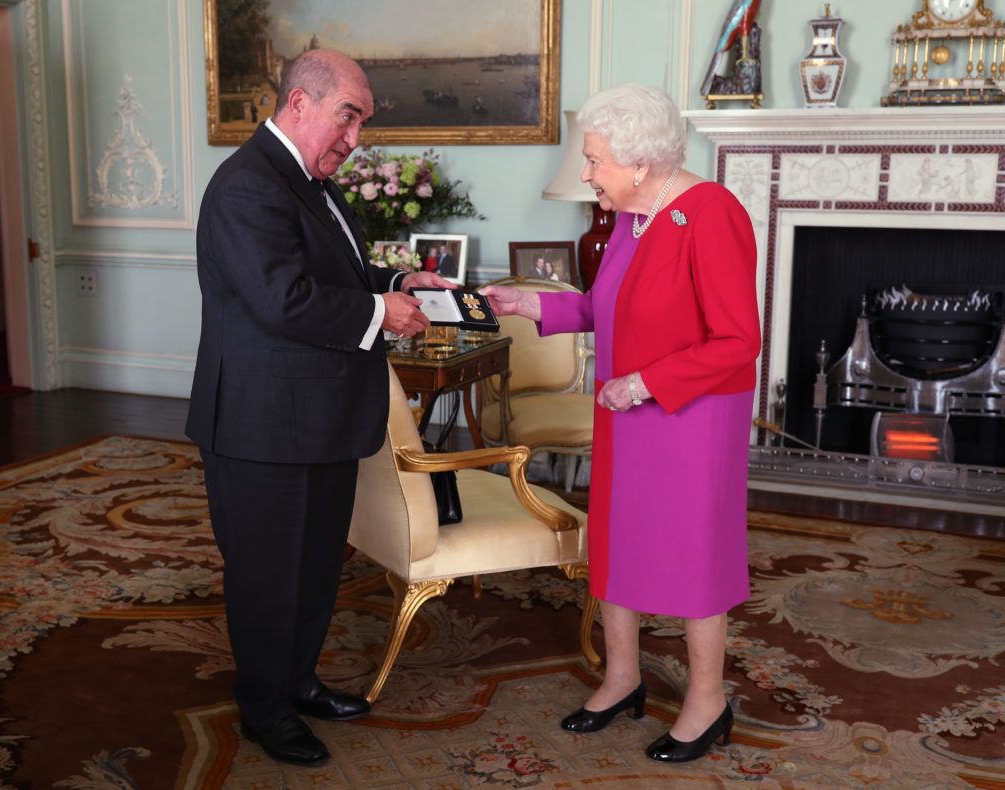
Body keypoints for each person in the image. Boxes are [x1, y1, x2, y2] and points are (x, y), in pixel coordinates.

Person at [186, 48, 455, 767]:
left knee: (310, 570)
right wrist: (382, 312)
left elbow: (336, 272)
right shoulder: (247, 185)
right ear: (299, 103)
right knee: (267, 577)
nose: (355, 138)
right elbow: (285, 300)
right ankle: (265, 712)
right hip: (261, 425)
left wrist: (399, 278)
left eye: (362, 123)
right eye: (348, 117)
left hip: (319, 419)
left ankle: (298, 683)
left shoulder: (312, 181)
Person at [481, 84, 760, 764]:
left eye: (595, 159)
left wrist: (646, 383)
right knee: (618, 543)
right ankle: (623, 677)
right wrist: (530, 303)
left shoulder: (711, 213)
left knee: (694, 556)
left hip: (691, 419)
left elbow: (737, 340)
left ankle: (706, 701)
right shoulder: (633, 219)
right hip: (625, 413)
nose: (586, 173)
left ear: (640, 162)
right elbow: (611, 310)